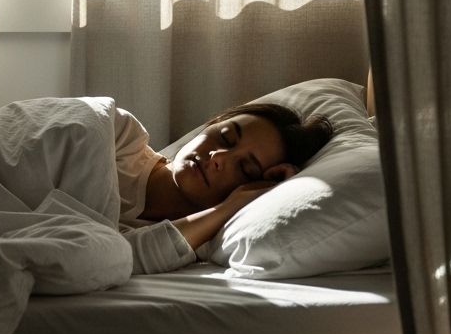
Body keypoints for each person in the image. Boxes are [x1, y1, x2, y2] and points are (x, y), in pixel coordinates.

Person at [114, 102, 333, 273]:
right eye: (226, 137)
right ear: (212, 124)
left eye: (245, 169)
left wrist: (230, 207)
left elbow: (118, 260)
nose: (218, 157)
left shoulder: (195, 243)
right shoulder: (120, 136)